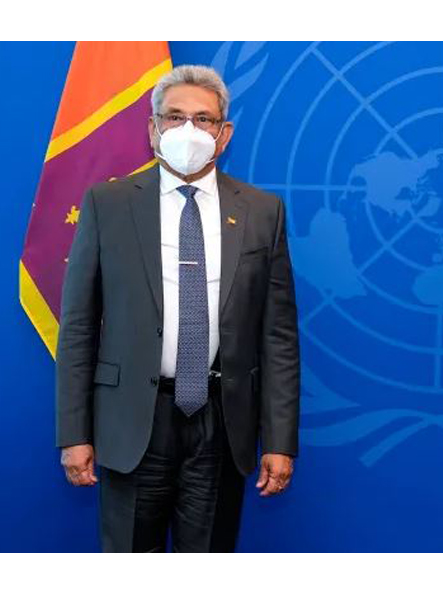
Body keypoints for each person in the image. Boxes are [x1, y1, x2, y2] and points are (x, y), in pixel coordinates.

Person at [55, 65, 300, 552]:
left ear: (224, 134)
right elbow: (79, 327)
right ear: (152, 129)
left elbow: (278, 337)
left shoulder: (261, 211)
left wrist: (279, 440)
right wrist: (74, 433)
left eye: (204, 120)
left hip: (222, 424)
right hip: (133, 423)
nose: (189, 131)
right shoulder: (108, 204)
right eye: (174, 117)